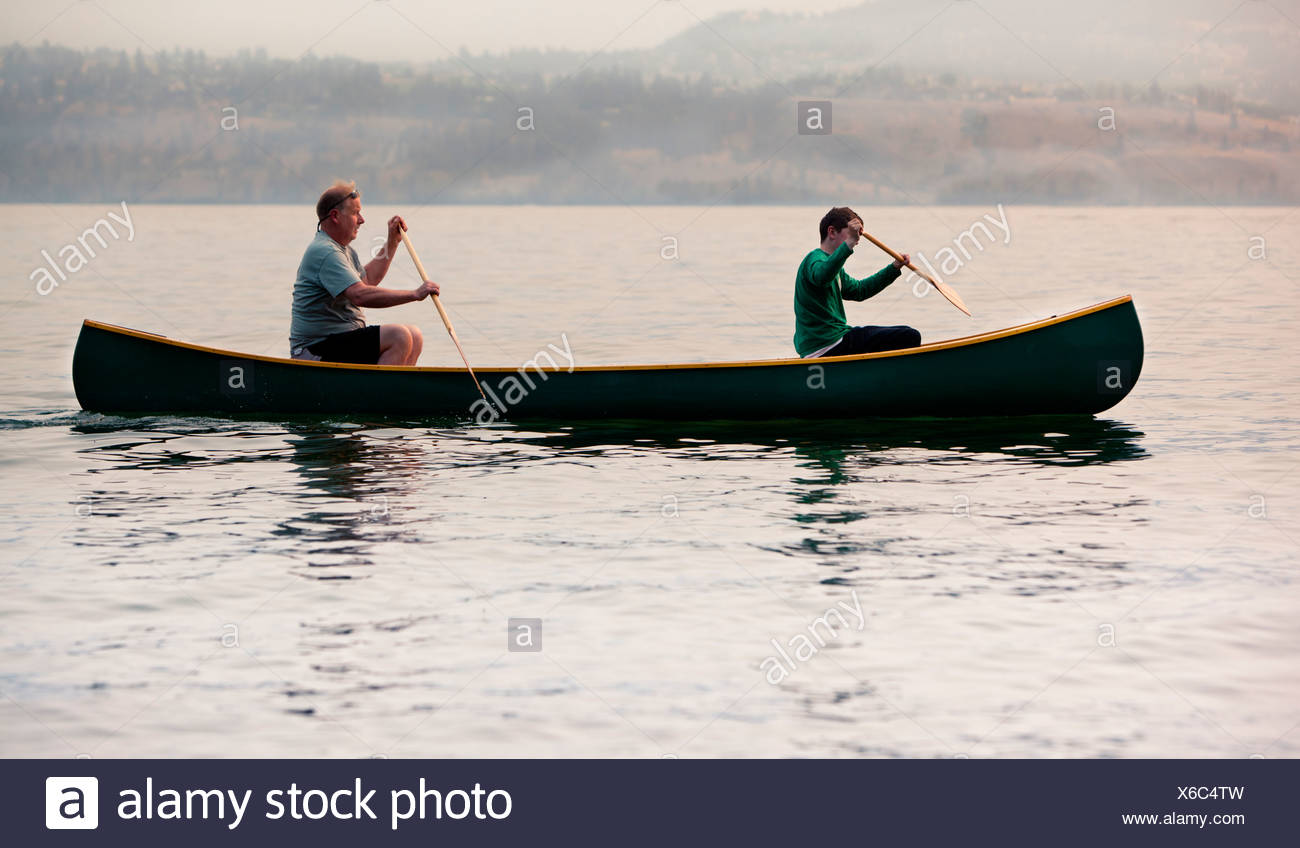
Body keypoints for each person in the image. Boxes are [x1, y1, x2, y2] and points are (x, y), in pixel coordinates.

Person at [289, 180, 441, 365]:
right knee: (399, 336)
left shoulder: (343, 250)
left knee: (415, 336)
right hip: (315, 349)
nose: (362, 219)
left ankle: (395, 391)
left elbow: (367, 281)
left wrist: (392, 241)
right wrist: (415, 294)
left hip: (340, 341)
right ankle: (379, 392)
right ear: (335, 216)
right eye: (355, 213)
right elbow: (360, 295)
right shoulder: (325, 251)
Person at [793, 206, 922, 358]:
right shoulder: (814, 259)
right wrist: (849, 243)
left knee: (907, 336)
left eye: (857, 236)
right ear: (832, 232)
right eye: (852, 235)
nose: (857, 241)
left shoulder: (835, 268)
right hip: (827, 344)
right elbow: (821, 277)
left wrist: (893, 268)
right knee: (909, 336)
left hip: (833, 343)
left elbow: (860, 290)